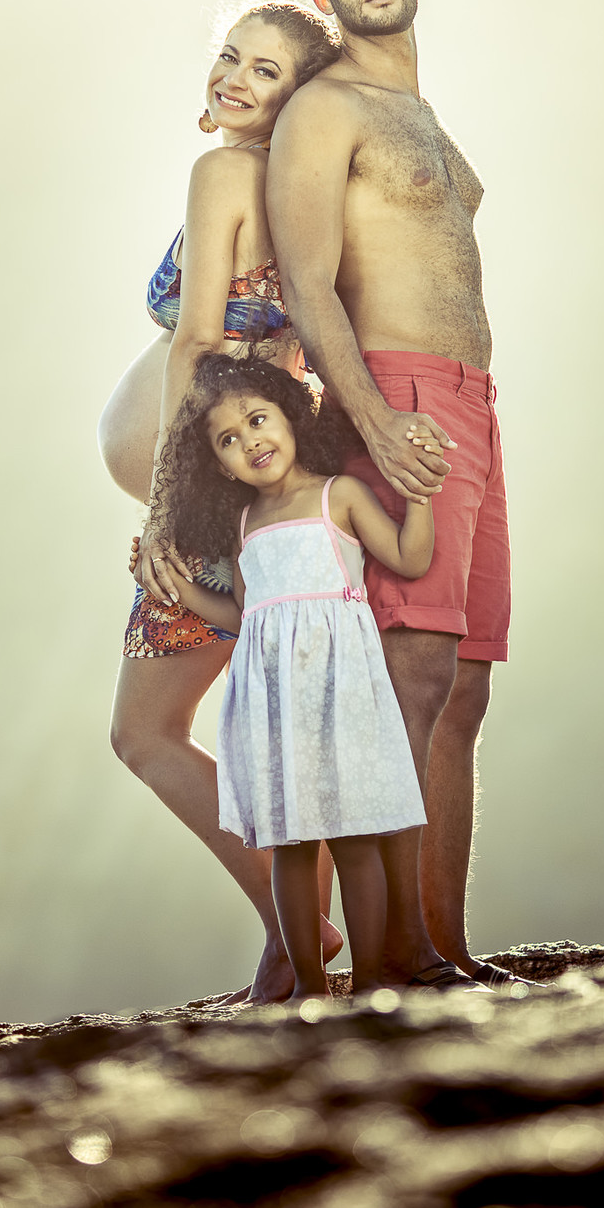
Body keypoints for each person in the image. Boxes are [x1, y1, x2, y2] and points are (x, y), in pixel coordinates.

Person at [266, 0, 519, 990]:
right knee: (407, 677)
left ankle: (443, 948)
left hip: (473, 402)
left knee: (462, 685)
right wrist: (371, 418)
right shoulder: (324, 109)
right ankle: (386, 958)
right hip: (399, 396)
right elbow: (308, 279)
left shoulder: (414, 109)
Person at [97, 1, 342, 1003]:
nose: (236, 79)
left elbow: (196, 344)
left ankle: (304, 938)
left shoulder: (223, 175)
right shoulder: (305, 198)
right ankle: (293, 946)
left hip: (202, 502)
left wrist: (162, 508)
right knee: (270, 730)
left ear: (296, 98)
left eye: (266, 71)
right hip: (259, 489)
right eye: (230, 58)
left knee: (145, 734)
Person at [153, 355, 434, 998]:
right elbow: (243, 612)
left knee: (356, 837)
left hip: (342, 693)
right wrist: (180, 590)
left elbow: (410, 559)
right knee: (290, 844)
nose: (249, 440)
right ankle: (310, 986)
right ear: (218, 464)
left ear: (291, 417)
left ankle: (368, 982)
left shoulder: (341, 495)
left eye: (258, 420)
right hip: (271, 702)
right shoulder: (245, 525)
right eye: (228, 439)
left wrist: (419, 497)